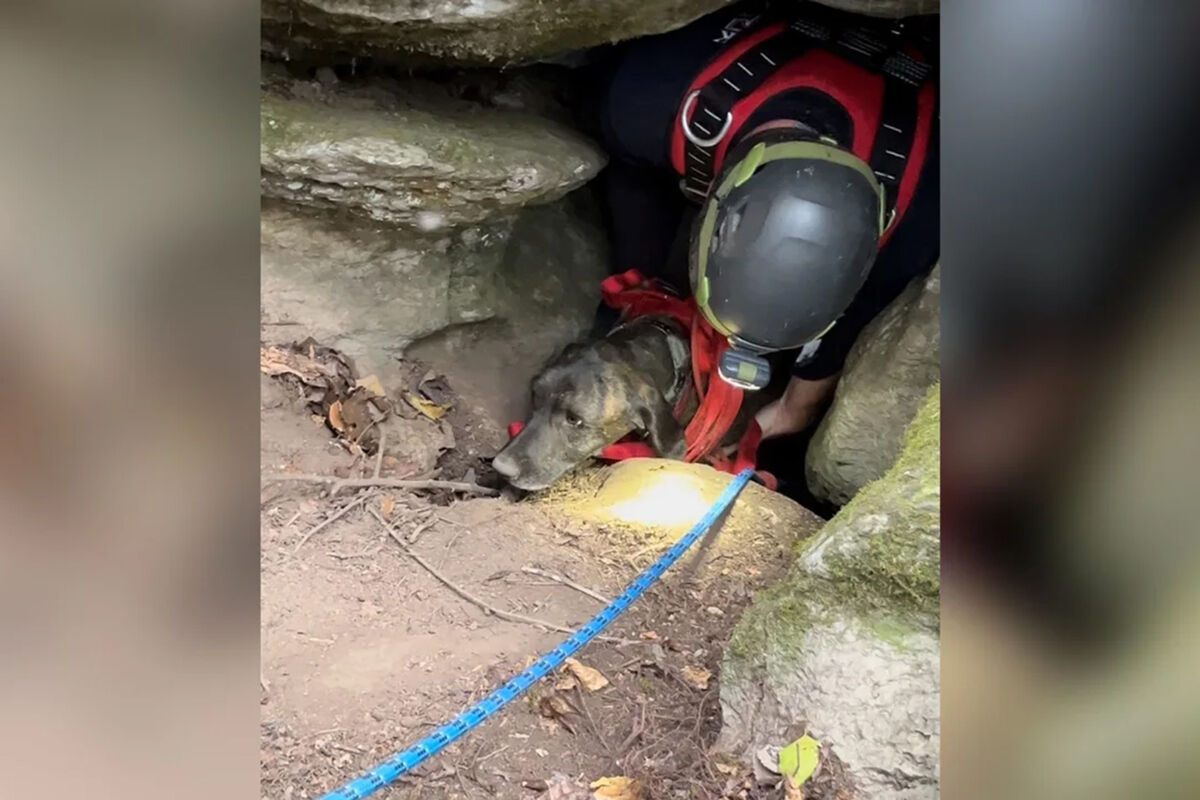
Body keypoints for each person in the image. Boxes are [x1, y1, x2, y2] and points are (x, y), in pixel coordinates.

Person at [595, 0, 939, 440]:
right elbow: (631, 171)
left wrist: (790, 412)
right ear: (711, 205)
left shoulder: (917, 219)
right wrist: (642, 279)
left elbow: (856, 316)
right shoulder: (649, 98)